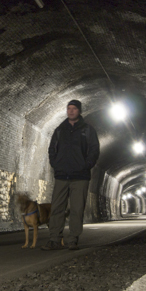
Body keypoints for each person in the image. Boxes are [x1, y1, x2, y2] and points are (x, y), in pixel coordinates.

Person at [42, 100, 100, 251]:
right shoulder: (60, 130)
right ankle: (54, 239)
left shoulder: (87, 130)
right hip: (61, 176)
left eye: (74, 109)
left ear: (79, 111)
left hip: (80, 177)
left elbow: (94, 150)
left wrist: (85, 165)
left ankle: (73, 239)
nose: (71, 111)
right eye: (69, 108)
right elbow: (52, 149)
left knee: (77, 209)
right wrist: (56, 164)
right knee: (56, 208)